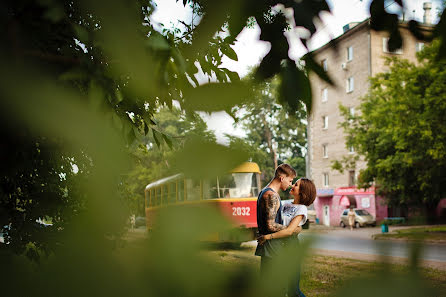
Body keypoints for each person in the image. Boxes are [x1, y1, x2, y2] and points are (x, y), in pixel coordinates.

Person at [257, 178, 317, 297]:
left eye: (296, 185)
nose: (292, 186)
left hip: (291, 248)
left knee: (293, 291)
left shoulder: (302, 209)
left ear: (302, 192)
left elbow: (290, 231)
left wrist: (268, 237)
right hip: (279, 247)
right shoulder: (286, 203)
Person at [254, 164, 299, 295]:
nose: (291, 184)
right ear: (281, 177)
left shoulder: (266, 192)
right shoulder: (271, 195)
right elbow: (270, 225)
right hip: (273, 249)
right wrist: (291, 229)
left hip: (270, 247)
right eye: (290, 181)